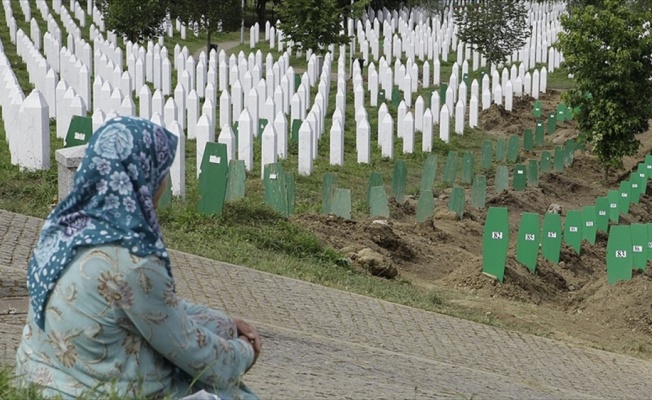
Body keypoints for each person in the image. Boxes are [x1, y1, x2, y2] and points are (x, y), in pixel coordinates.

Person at [15, 116, 261, 399]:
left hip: (37, 381)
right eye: (162, 171)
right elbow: (194, 352)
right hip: (95, 391)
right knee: (231, 391)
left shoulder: (63, 228)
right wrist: (245, 350)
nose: (165, 183)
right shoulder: (132, 260)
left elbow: (156, 306)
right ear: (143, 176)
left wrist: (227, 323)